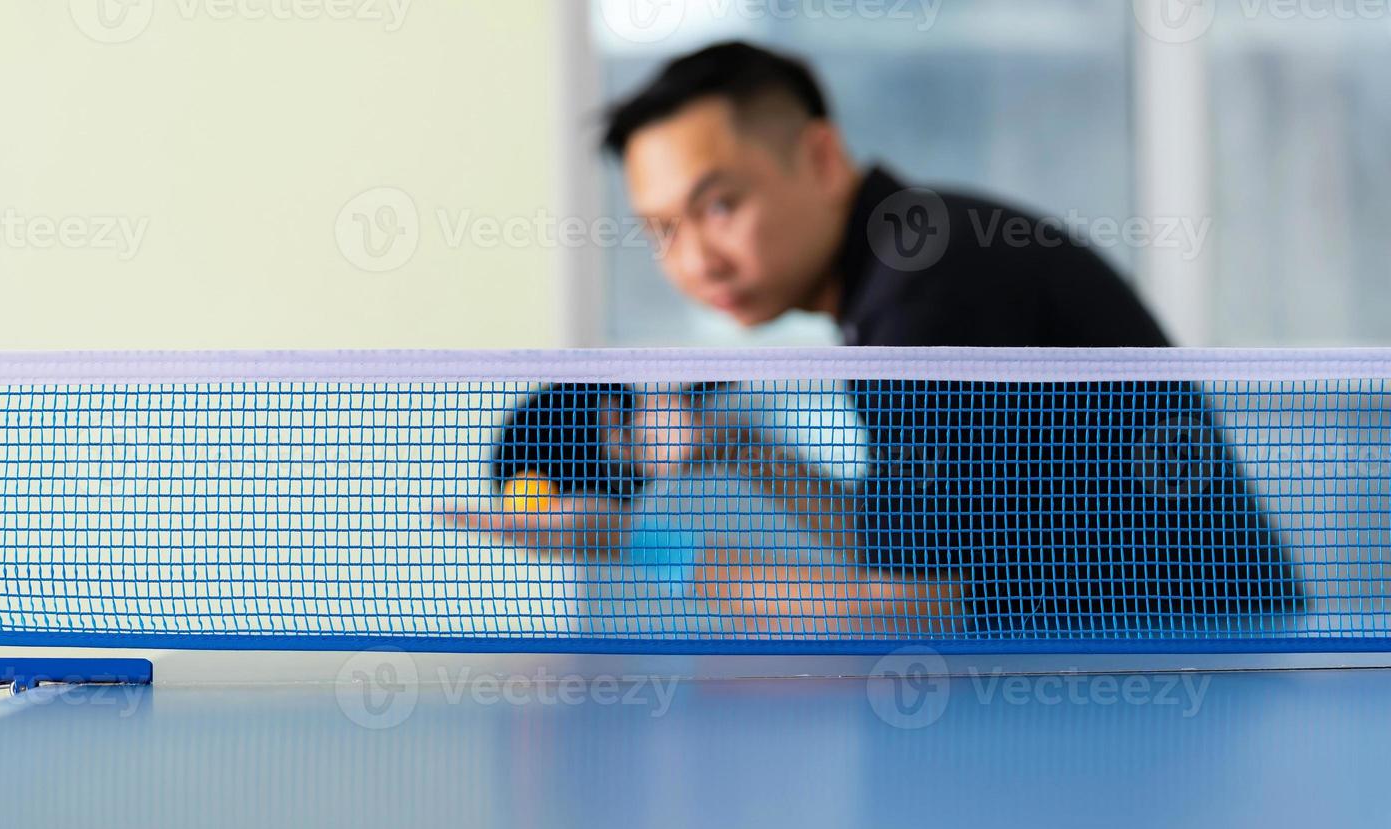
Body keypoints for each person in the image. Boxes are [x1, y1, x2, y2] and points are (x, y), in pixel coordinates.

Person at [445, 42, 1301, 638]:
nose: (695, 258)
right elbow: (911, 545)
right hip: (1145, 663)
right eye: (661, 230)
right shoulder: (902, 271)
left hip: (1201, 668)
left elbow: (903, 605)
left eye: (718, 206)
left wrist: (637, 543)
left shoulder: (924, 286)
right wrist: (746, 450)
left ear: (819, 159)